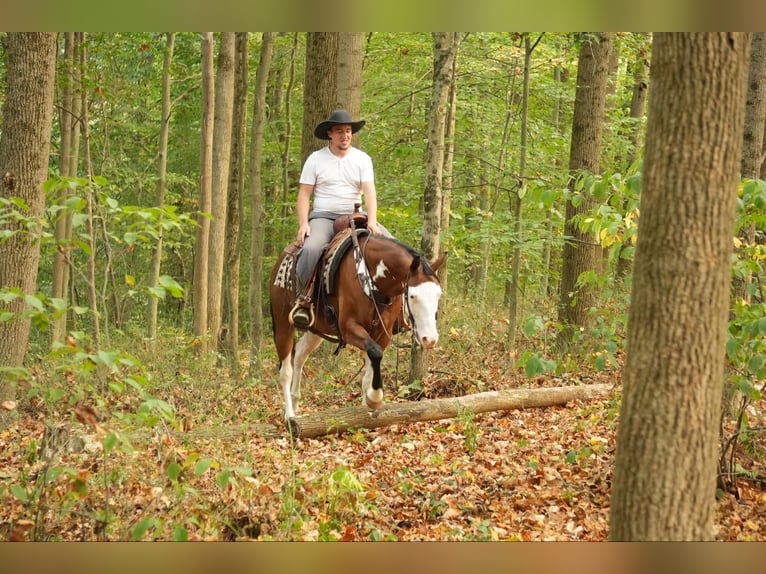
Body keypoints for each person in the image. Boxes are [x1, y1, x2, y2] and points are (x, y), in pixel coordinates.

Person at [289, 109, 391, 329]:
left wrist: (372, 221)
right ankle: (304, 301)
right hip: (324, 216)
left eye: (348, 131)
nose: (345, 136)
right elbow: (304, 194)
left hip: (355, 215)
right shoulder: (315, 159)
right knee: (311, 248)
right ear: (330, 134)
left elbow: (370, 192)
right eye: (339, 132)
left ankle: (396, 306)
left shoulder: (362, 159)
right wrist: (304, 224)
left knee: (393, 246)